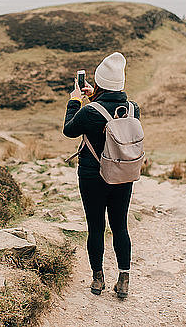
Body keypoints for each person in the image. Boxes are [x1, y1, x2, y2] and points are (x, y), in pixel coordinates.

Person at [62, 52, 140, 299]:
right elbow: (109, 108)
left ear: (99, 83)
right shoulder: (132, 108)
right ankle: (124, 280)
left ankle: (98, 280)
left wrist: (76, 100)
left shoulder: (89, 112)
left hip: (92, 175)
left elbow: (69, 130)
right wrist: (94, 96)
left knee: (96, 228)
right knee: (120, 227)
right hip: (123, 174)